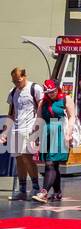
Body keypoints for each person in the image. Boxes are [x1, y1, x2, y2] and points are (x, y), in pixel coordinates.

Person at [4, 68, 44, 201]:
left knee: (28, 157)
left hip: (30, 129)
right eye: (14, 81)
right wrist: (5, 131)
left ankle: (36, 187)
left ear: (24, 76)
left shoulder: (35, 88)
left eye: (18, 80)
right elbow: (11, 112)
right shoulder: (13, 91)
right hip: (16, 128)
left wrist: (38, 127)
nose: (16, 83)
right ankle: (22, 190)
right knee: (19, 160)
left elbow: (40, 107)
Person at [32, 80, 69, 204]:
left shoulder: (65, 99)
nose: (51, 94)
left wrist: (69, 132)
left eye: (53, 91)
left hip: (58, 131)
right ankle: (57, 192)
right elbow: (39, 119)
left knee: (50, 163)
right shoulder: (43, 102)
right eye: (48, 92)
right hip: (46, 132)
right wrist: (35, 136)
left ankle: (44, 192)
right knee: (54, 165)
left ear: (57, 89)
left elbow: (72, 116)